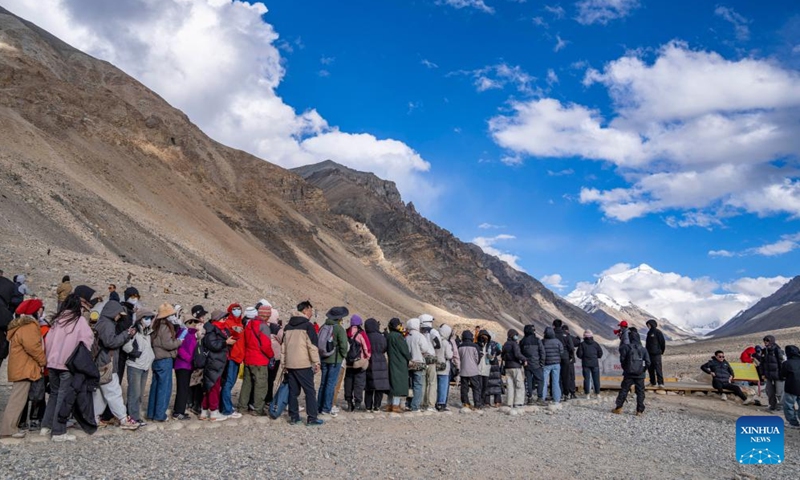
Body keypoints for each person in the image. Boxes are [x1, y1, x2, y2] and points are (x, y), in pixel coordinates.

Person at [41, 287, 96, 441]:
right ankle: (58, 431)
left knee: (53, 394)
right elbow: (88, 340)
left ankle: (46, 426)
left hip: (52, 364)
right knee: (63, 397)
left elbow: (48, 341)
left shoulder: (57, 320)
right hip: (67, 365)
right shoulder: (79, 321)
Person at [0, 300, 46, 438]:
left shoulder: (21, 325)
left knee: (18, 398)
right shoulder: (29, 326)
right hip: (24, 367)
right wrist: (43, 361)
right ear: (34, 311)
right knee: (17, 399)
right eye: (39, 309)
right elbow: (33, 347)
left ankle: (11, 427)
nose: (41, 312)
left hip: (20, 366)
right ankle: (8, 429)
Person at [92, 300, 139, 430]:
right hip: (107, 362)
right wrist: (127, 334)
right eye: (119, 314)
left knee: (101, 394)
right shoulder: (107, 325)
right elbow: (111, 343)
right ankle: (124, 418)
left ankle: (94, 418)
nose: (119, 316)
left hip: (101, 362)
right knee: (114, 392)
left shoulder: (102, 323)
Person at [282, 300, 322, 426]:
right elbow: (312, 346)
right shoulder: (307, 326)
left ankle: (294, 417)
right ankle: (312, 418)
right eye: (310, 310)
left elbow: (283, 347)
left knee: (293, 392)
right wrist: (317, 362)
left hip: (290, 364)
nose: (311, 313)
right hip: (303, 363)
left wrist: (284, 364)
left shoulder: (288, 326)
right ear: (305, 310)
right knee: (310, 391)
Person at [147, 303, 186, 422]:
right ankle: (160, 415)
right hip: (165, 359)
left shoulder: (156, 326)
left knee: (155, 387)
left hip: (156, 359)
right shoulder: (166, 328)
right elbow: (168, 344)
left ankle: (151, 412)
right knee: (164, 388)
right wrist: (180, 341)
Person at [238, 303, 274, 416]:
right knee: (261, 385)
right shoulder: (263, 326)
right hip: (260, 360)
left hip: (248, 358)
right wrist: (271, 355)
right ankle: (258, 409)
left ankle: (242, 407)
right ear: (267, 316)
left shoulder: (250, 324)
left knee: (247, 384)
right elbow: (266, 345)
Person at [122, 309, 155, 425]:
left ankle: (132, 414)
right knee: (134, 393)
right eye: (146, 318)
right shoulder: (134, 330)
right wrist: (136, 353)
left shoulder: (147, 331)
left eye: (150, 318)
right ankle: (134, 418)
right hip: (135, 365)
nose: (149, 320)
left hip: (145, 366)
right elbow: (125, 345)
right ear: (140, 319)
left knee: (139, 393)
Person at [200, 310, 232, 421]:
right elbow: (213, 345)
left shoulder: (221, 329)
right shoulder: (212, 330)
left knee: (209, 386)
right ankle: (214, 412)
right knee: (214, 387)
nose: (225, 320)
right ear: (217, 319)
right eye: (223, 318)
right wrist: (225, 343)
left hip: (218, 361)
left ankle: (204, 411)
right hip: (214, 361)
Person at [318, 306, 349, 417]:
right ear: (339, 318)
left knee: (323, 383)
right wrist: (344, 355)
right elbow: (344, 345)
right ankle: (326, 408)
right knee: (331, 384)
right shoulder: (339, 328)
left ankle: (319, 406)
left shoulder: (324, 326)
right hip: (335, 360)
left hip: (324, 358)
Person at [612, 329, 650, 415]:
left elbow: (622, 360)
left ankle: (618, 408)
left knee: (624, 390)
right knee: (640, 392)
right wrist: (642, 370)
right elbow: (648, 362)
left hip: (628, 374)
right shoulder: (643, 349)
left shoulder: (626, 347)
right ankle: (639, 411)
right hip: (640, 375)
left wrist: (626, 369)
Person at [173, 308, 200, 420]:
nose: (194, 324)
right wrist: (189, 359)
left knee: (184, 388)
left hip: (188, 365)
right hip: (183, 365)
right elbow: (179, 348)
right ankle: (178, 412)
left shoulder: (192, 335)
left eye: (195, 322)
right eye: (192, 322)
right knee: (182, 388)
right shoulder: (183, 333)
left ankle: (180, 410)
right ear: (187, 323)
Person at [220, 303, 245, 419]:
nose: (237, 311)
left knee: (231, 382)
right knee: (228, 383)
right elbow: (226, 332)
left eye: (239, 309)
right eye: (234, 309)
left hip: (238, 357)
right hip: (231, 357)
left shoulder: (240, 323)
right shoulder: (228, 323)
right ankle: (227, 409)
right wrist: (232, 329)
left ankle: (225, 405)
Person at [406, 317, 434, 412]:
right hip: (418, 363)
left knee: (410, 385)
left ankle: (408, 404)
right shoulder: (419, 336)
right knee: (418, 385)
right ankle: (415, 406)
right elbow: (425, 349)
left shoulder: (407, 337)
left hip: (409, 364)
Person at [344, 314, 371, 411]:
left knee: (348, 382)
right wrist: (367, 357)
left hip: (348, 362)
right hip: (359, 362)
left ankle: (349, 402)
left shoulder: (346, 332)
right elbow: (366, 347)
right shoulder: (361, 333)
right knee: (359, 383)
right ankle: (358, 403)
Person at [385, 318, 411, 412]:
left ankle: (389, 404)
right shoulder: (398, 336)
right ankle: (396, 405)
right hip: (399, 363)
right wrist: (409, 358)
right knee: (398, 384)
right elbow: (404, 350)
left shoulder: (389, 336)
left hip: (391, 361)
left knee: (392, 383)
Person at [364, 318, 390, 412]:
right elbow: (384, 348)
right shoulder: (381, 337)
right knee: (380, 386)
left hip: (369, 361)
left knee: (369, 386)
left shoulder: (365, 336)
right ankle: (377, 406)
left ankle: (368, 406)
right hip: (380, 361)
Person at [758, 335, 786, 411]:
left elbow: (782, 363)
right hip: (768, 375)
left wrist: (783, 374)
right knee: (769, 391)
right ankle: (772, 406)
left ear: (772, 341)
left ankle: (781, 407)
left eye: (767, 340)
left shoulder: (778, 350)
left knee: (780, 392)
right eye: (764, 340)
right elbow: (762, 364)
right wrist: (762, 374)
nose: (765, 342)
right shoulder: (764, 351)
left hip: (778, 375)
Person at [419, 314, 441, 412]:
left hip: (422, 359)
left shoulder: (420, 332)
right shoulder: (433, 331)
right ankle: (431, 405)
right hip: (431, 359)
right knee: (432, 383)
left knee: (423, 382)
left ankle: (422, 403)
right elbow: (438, 344)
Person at [502, 329, 527, 408]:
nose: (517, 337)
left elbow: (502, 356)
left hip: (507, 367)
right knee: (519, 385)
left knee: (510, 385)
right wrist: (524, 359)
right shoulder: (514, 344)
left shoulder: (505, 344)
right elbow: (517, 354)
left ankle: (509, 402)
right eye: (516, 335)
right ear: (513, 336)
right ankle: (518, 402)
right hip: (515, 366)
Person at [519, 325, 544, 405]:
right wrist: (542, 362)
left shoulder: (522, 341)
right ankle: (539, 397)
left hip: (526, 365)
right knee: (540, 380)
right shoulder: (537, 340)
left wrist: (523, 362)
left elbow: (520, 353)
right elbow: (542, 352)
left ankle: (529, 398)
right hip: (536, 364)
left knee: (528, 381)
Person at [477, 330, 502, 407]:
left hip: (487, 366)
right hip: (494, 365)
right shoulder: (496, 344)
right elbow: (500, 351)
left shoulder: (483, 344)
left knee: (487, 384)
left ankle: (486, 402)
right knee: (496, 384)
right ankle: (497, 401)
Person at [435, 324, 458, 411]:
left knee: (435, 386)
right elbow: (449, 355)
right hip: (444, 367)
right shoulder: (446, 343)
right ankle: (441, 403)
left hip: (435, 366)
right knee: (443, 386)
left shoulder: (435, 341)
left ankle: (435, 402)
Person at [458, 330, 482, 409]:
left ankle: (466, 403)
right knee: (476, 388)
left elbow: (458, 358)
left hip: (463, 370)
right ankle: (477, 404)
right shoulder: (475, 346)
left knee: (464, 388)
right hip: (473, 370)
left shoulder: (460, 346)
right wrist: (475, 364)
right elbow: (478, 358)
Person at [553, 320, 576, 400]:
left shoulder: (552, 334)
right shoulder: (566, 334)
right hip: (565, 357)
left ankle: (558, 393)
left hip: (555, 357)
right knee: (565, 376)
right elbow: (571, 347)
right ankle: (566, 393)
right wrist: (570, 356)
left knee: (556, 376)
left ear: (553, 325)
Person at [577, 330, 603, 398]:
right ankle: (597, 394)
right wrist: (595, 357)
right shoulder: (595, 344)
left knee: (587, 379)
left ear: (584, 336)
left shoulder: (582, 344)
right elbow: (600, 353)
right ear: (592, 336)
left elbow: (579, 354)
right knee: (596, 379)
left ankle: (587, 394)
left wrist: (583, 357)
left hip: (585, 364)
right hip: (595, 363)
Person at [542, 327, 564, 404]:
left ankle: (542, 398)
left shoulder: (543, 342)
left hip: (546, 364)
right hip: (556, 364)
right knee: (555, 381)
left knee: (544, 381)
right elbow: (561, 351)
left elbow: (541, 352)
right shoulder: (557, 341)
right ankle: (557, 399)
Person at [780, 345, 800, 429]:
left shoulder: (786, 363)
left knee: (788, 405)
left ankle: (793, 422)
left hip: (791, 387)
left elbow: (782, 375)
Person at [645, 320, 666, 387]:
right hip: (649, 353)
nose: (648, 326)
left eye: (648, 324)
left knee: (658, 368)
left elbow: (662, 342)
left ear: (651, 324)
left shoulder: (658, 332)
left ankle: (660, 383)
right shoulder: (648, 333)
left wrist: (661, 351)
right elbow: (647, 344)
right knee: (650, 369)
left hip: (657, 354)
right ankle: (652, 382)